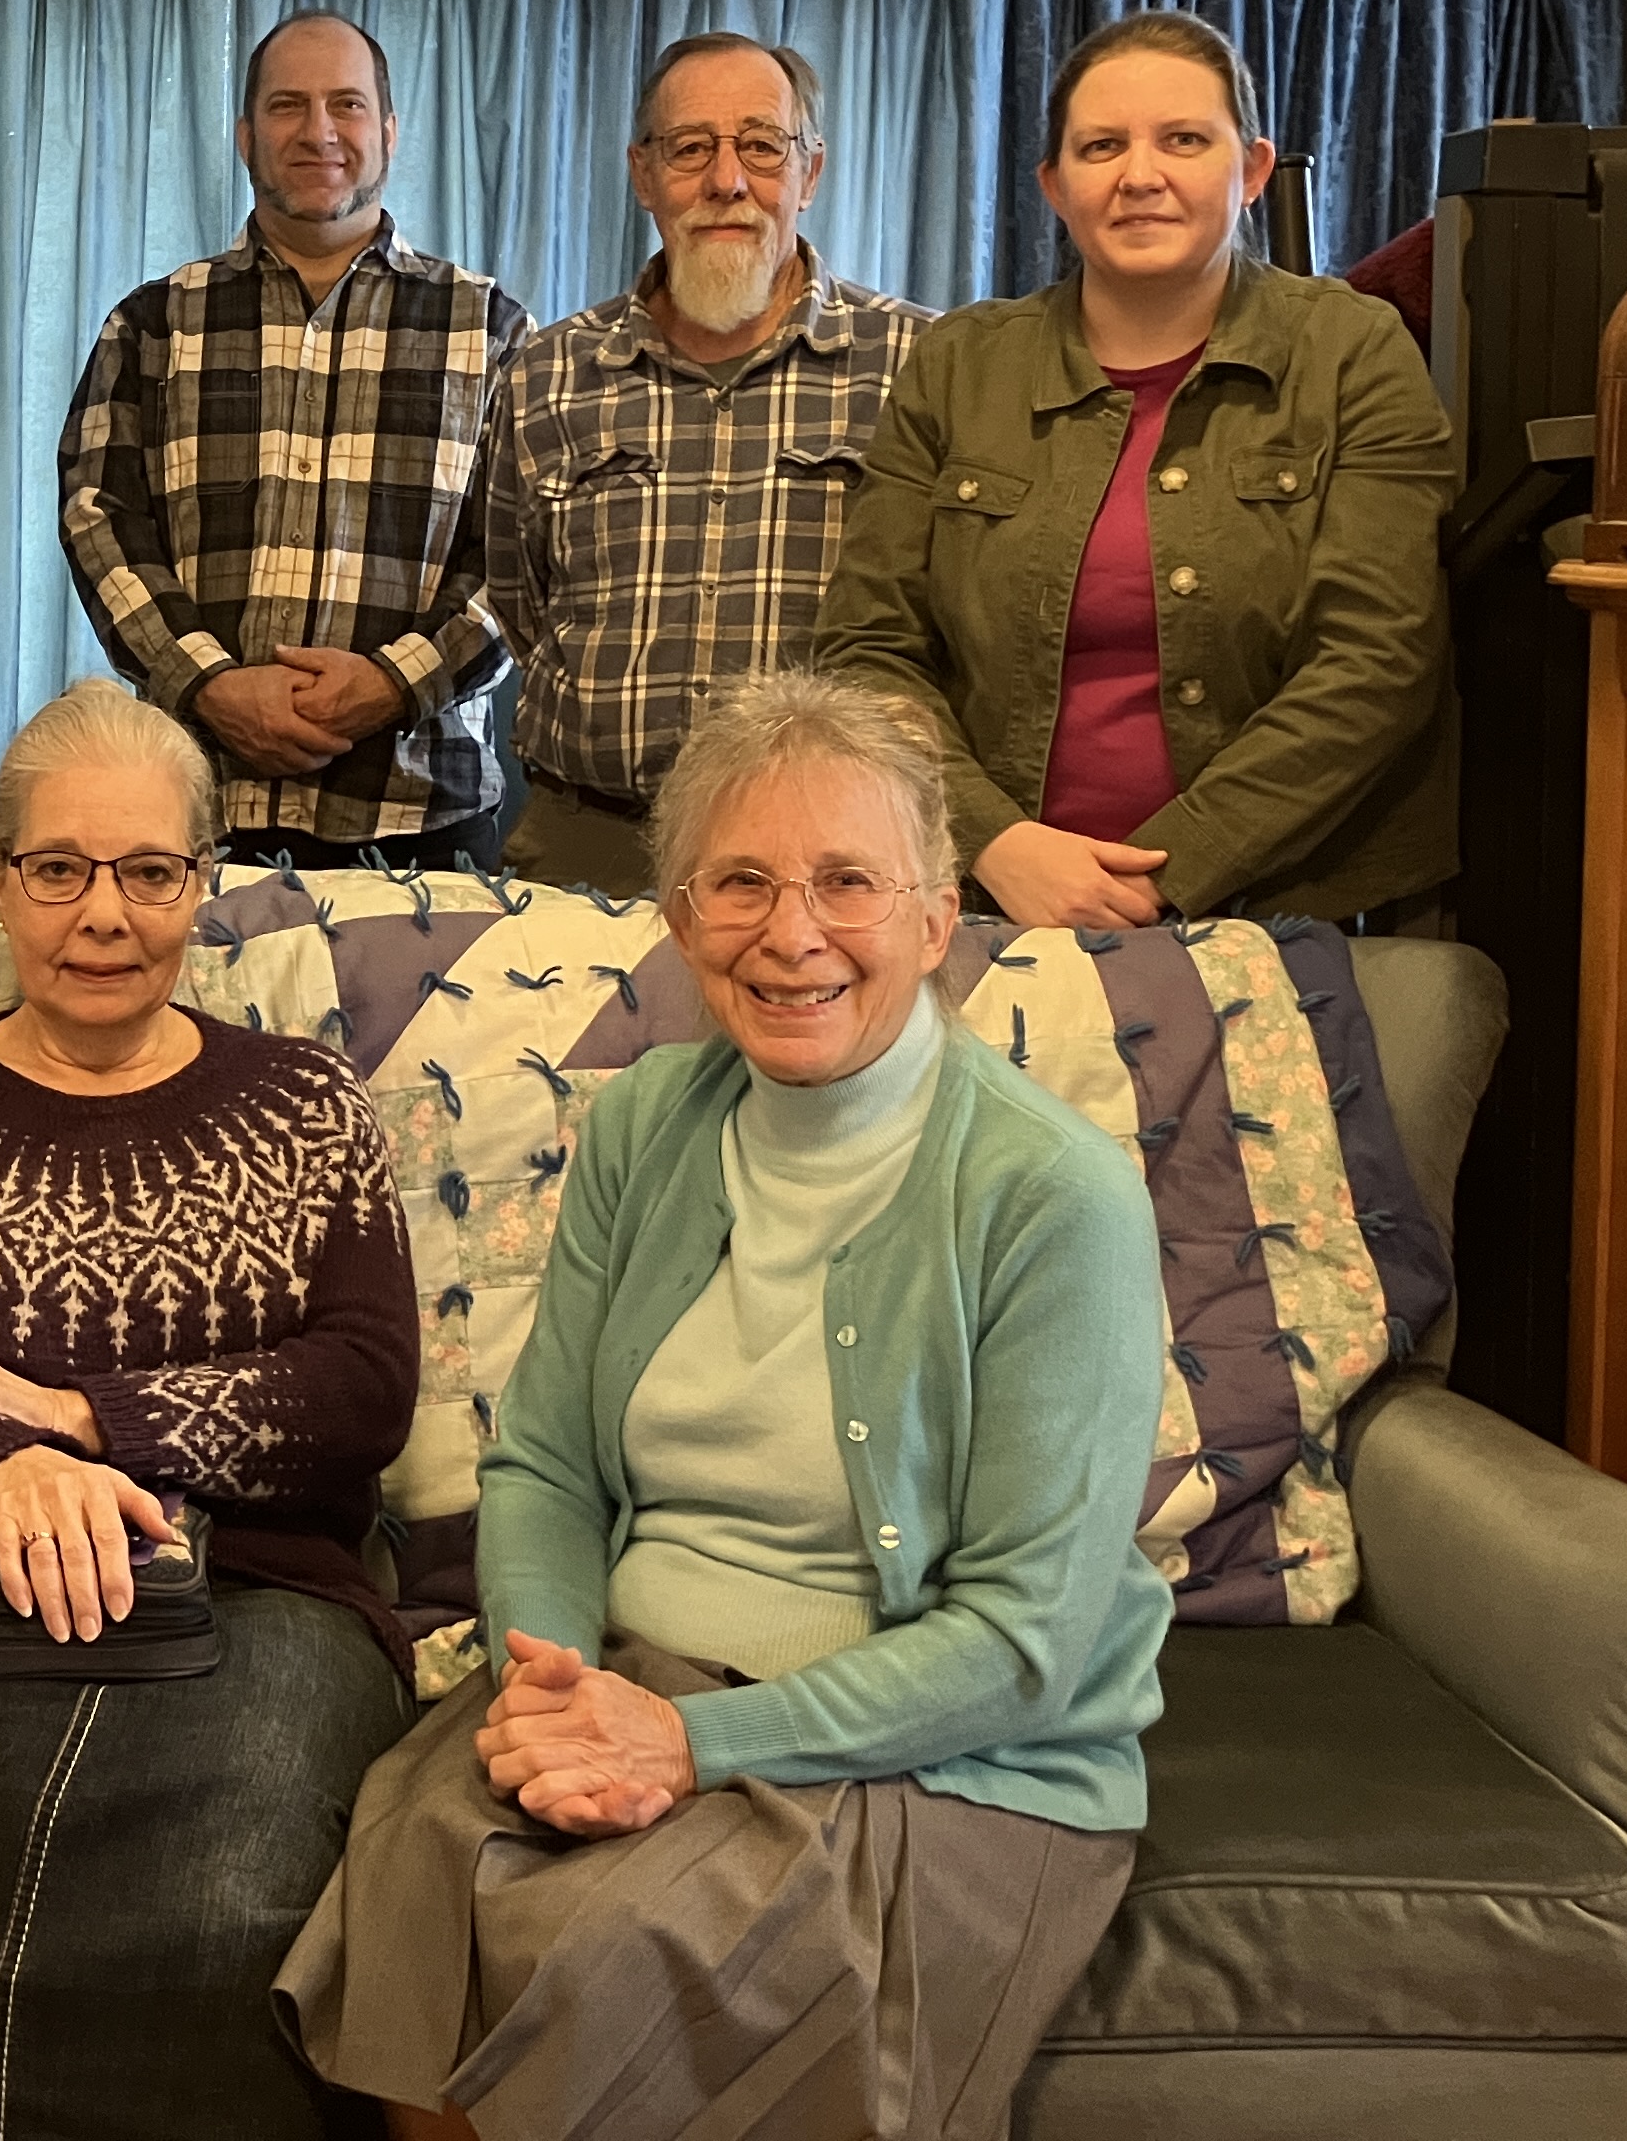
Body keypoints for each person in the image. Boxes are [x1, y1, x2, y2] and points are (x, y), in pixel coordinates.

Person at [278, 671, 1169, 2141]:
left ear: (939, 918)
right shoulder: (641, 1122)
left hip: (933, 1747)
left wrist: (689, 1748)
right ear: (683, 922)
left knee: (608, 1950)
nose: (792, 931)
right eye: (740, 882)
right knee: (420, 1854)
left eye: (846, 882)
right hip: (630, 1677)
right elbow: (549, 1467)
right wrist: (552, 1677)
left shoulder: (1051, 1195)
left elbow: (1021, 1648)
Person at [0, 678, 420, 2141]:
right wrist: (0, 1471)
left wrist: (68, 1416)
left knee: (215, 1897)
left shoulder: (306, 1102)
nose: (105, 915)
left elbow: (360, 1391)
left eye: (151, 873)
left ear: (203, 886)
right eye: (58, 869)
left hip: (266, 1597)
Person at [818, 10, 1457, 927]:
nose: (1140, 176)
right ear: (1055, 185)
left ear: (1252, 171)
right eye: (1102, 146)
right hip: (988, 902)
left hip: (1291, 907)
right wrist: (996, 842)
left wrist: (1166, 876)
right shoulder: (960, 364)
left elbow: (1377, 660)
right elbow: (867, 651)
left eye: (1185, 140)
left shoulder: (1353, 350)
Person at [59, 13, 529, 871]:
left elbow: (522, 559)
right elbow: (101, 523)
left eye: (346, 105)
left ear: (388, 132)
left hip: (424, 819)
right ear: (246, 136)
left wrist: (395, 683)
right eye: (287, 106)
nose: (319, 132)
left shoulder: (491, 329)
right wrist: (208, 683)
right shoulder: (154, 323)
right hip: (191, 810)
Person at [480, 31, 926, 898]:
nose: (727, 180)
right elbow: (520, 602)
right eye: (691, 149)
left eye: (762, 145)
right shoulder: (546, 373)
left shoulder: (919, 364)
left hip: (831, 853)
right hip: (589, 849)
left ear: (811, 171)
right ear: (643, 175)